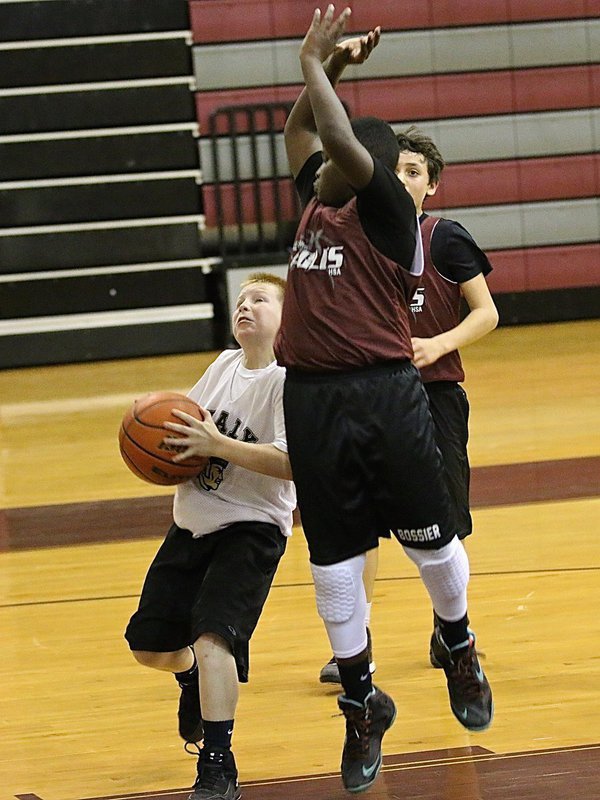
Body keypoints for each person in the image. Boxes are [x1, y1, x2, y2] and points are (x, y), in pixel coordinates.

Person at [274, 6, 493, 795]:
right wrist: (332, 70)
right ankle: (364, 702)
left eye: (340, 158)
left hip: (384, 393)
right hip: (312, 398)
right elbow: (306, 134)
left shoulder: (387, 210)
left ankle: (459, 645)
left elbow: (330, 139)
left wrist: (309, 59)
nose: (317, 166)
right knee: (331, 562)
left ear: (357, 167)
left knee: (432, 543)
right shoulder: (320, 198)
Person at [318, 126, 499, 682]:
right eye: (394, 169)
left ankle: (451, 634)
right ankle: (354, 641)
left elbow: (486, 313)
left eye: (414, 172)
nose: (402, 179)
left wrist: (436, 345)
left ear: (433, 187)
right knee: (359, 523)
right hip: (370, 394)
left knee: (444, 521)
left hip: (435, 395)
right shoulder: (356, 238)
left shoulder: (444, 239)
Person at [125, 273, 296, 800]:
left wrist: (218, 444)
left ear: (288, 319)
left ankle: (218, 766)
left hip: (251, 529)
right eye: (241, 300)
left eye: (261, 300)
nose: (245, 306)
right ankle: (192, 680)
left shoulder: (291, 381)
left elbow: (295, 462)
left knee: (213, 636)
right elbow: (186, 425)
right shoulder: (223, 365)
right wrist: (153, 436)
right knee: (150, 648)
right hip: (192, 523)